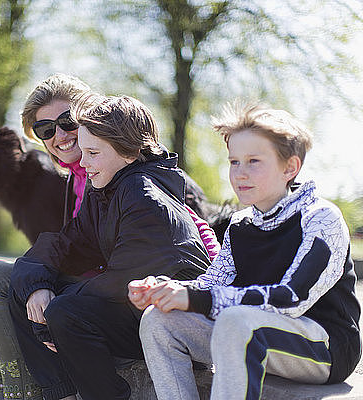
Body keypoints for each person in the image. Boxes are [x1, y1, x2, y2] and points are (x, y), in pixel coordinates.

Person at [131, 103, 361, 400]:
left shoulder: (321, 218)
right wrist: (166, 289)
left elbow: (291, 299)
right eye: (234, 162)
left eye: (253, 161)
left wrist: (196, 298)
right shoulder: (240, 224)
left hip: (324, 348)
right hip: (252, 333)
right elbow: (211, 284)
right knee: (158, 318)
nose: (240, 174)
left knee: (237, 321)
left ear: (289, 168)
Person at [8, 93, 212, 400]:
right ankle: (59, 395)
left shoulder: (143, 195)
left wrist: (52, 306)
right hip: (136, 309)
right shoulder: (106, 189)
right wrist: (36, 282)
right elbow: (67, 243)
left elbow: (124, 281)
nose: (83, 162)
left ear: (128, 153)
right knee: (27, 288)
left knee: (64, 310)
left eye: (93, 152)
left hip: (174, 320)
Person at [0, 74, 91, 400]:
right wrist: (37, 277)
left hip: (98, 286)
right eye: (46, 130)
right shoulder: (72, 174)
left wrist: (37, 280)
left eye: (67, 121)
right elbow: (60, 240)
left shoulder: (104, 165)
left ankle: (25, 392)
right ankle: (10, 386)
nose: (59, 135)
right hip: (79, 276)